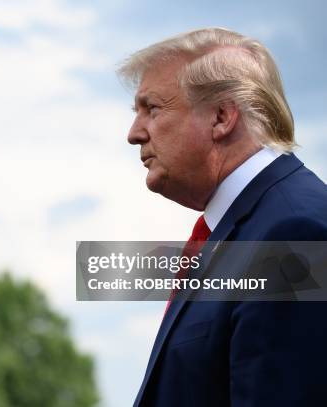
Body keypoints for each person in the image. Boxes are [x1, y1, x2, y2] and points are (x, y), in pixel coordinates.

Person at [119, 28, 327, 406]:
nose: (134, 134)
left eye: (152, 108)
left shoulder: (294, 232)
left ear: (221, 117)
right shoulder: (250, 227)